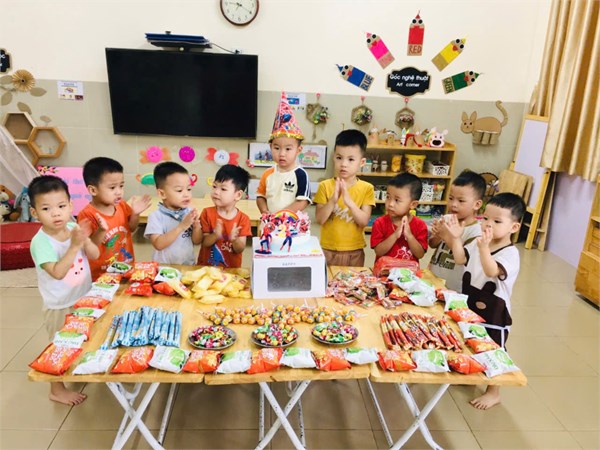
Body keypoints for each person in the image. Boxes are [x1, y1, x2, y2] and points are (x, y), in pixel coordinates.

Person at [444, 192, 526, 410]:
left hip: (494, 313)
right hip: (470, 303)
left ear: (514, 227)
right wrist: (456, 238)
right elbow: (460, 258)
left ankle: (494, 391)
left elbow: (491, 270)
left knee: (494, 348)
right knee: (469, 338)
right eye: (486, 218)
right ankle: (471, 372)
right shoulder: (478, 243)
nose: (488, 224)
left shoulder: (510, 253)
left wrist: (483, 248)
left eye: (497, 221)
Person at [28, 175, 99, 406]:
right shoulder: (41, 242)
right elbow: (58, 272)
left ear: (70, 205)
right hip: (60, 304)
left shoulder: (72, 227)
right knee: (59, 345)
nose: (56, 213)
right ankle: (56, 390)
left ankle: (77, 368)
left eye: (61, 206)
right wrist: (75, 245)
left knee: (83, 337)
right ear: (34, 212)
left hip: (83, 298)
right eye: (46, 208)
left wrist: (86, 239)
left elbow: (95, 254)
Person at [78, 157, 151, 280]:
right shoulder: (87, 214)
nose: (119, 192)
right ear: (93, 190)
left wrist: (135, 214)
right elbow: (89, 247)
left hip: (126, 266)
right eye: (112, 188)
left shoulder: (121, 205)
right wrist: (101, 230)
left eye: (121, 186)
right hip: (101, 274)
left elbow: (131, 228)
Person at [314, 129, 375, 267]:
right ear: (333, 157)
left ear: (362, 162)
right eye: (339, 157)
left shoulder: (367, 188)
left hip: (355, 250)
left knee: (354, 281)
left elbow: (364, 222)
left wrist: (349, 202)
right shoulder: (325, 186)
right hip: (327, 249)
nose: (344, 164)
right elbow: (320, 219)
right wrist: (333, 200)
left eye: (351, 159)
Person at [428, 170, 486, 291]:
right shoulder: (447, 218)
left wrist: (447, 236)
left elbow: (462, 258)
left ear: (477, 204)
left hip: (455, 288)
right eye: (451, 198)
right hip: (433, 279)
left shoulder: (476, 231)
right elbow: (432, 244)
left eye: (461, 201)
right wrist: (437, 235)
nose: (453, 204)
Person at [256, 92, 311, 214]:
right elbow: (260, 196)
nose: (282, 154)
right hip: (270, 223)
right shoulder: (267, 174)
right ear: (270, 147)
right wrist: (264, 210)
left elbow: (303, 201)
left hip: (291, 223)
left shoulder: (301, 175)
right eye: (277, 148)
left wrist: (281, 216)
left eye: (288, 149)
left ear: (298, 150)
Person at [144, 162, 202, 265]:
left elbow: (197, 241)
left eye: (189, 189)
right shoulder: (156, 217)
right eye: (179, 190)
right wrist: (182, 226)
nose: (186, 194)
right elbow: (158, 244)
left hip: (187, 266)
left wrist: (196, 227)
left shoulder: (188, 213)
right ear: (162, 193)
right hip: (163, 268)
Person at [198, 164, 252, 268]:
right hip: (206, 269)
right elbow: (204, 242)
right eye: (214, 186)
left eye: (223, 189)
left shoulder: (243, 219)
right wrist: (215, 235)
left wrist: (235, 240)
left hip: (231, 271)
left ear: (238, 195)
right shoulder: (207, 213)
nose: (216, 192)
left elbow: (240, 249)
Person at [371, 173, 428, 263]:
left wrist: (409, 235)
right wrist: (395, 235)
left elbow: (420, 255)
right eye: (388, 197)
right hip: (385, 270)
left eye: (397, 200)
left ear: (413, 204)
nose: (390, 204)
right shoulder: (379, 223)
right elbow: (378, 251)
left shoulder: (420, 225)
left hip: (409, 271)